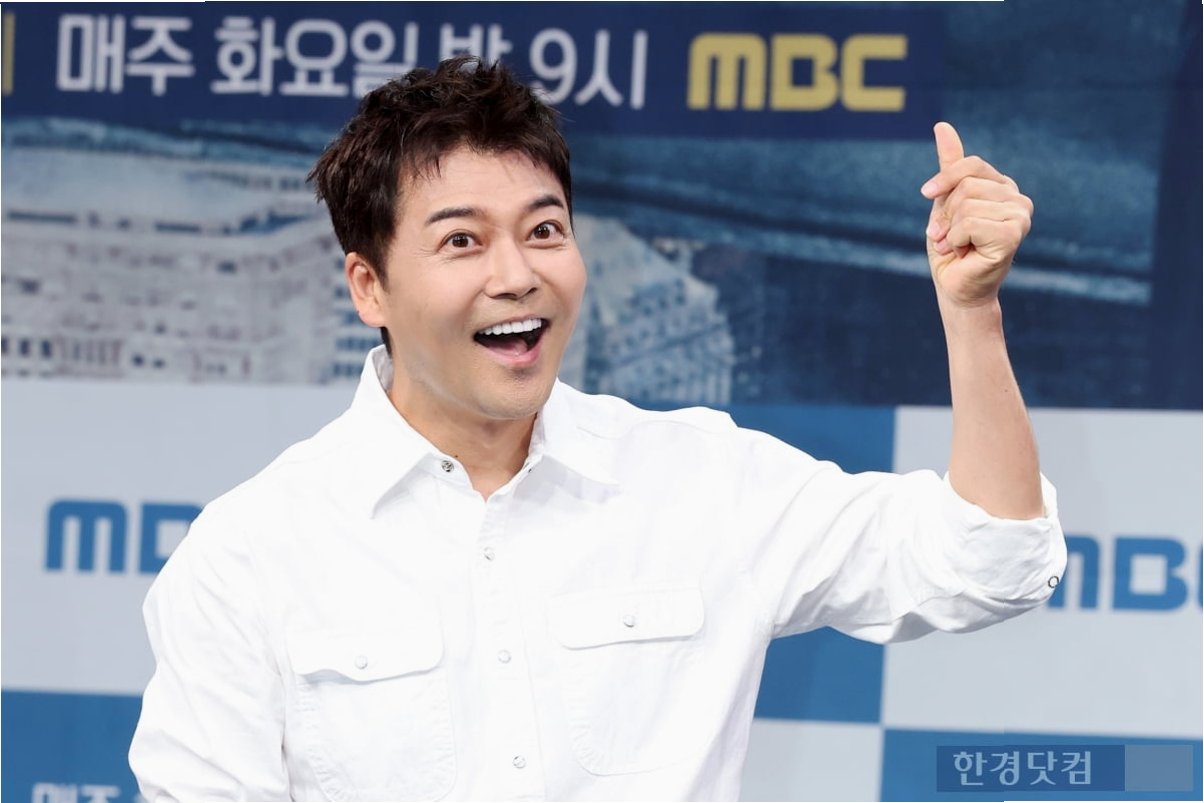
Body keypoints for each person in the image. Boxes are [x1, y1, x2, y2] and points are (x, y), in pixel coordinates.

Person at [129, 56, 1066, 801]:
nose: (517, 275)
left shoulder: (702, 480)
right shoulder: (250, 554)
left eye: (544, 230)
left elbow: (990, 562)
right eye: (462, 241)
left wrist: (971, 312)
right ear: (368, 286)